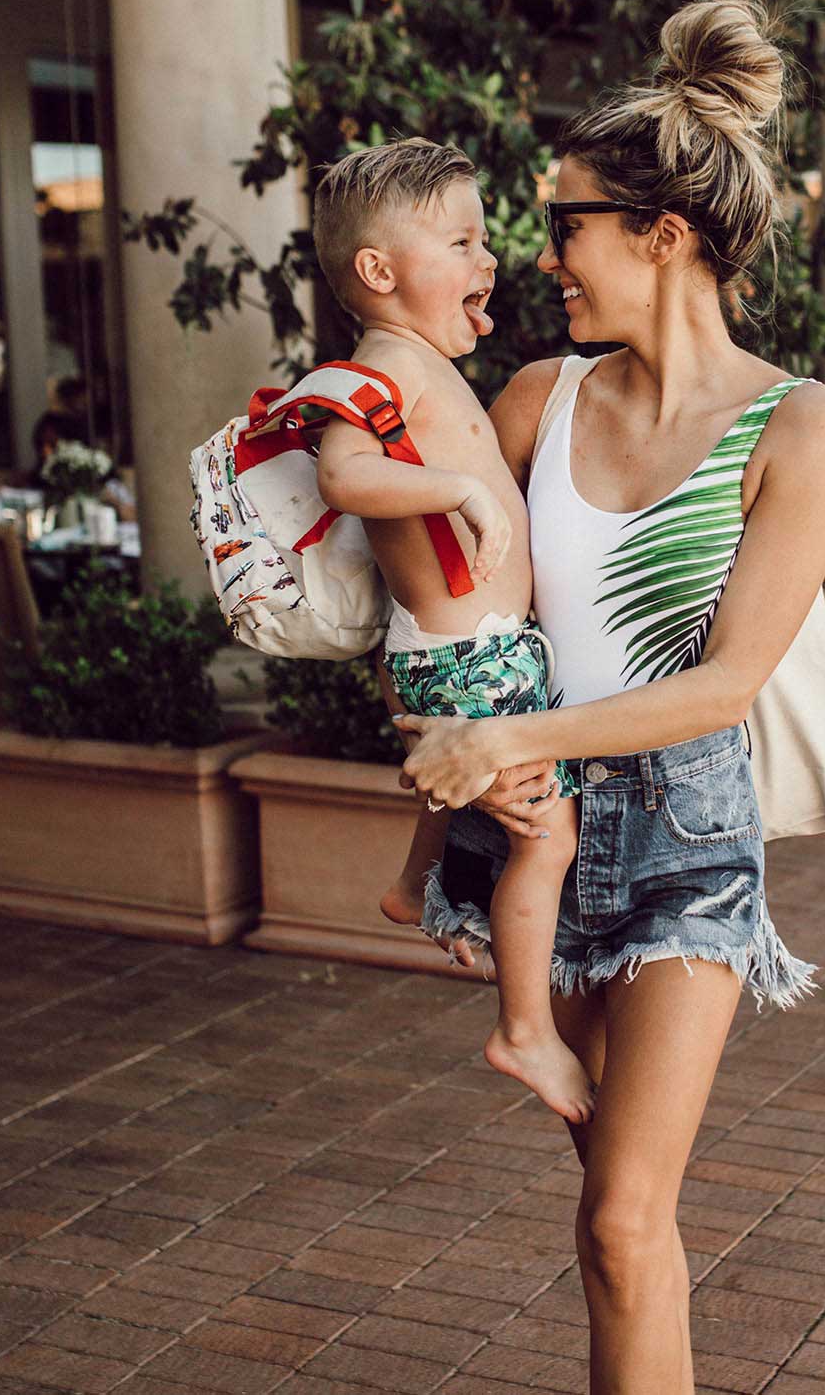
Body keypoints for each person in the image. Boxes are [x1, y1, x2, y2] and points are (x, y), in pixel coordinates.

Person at [397, 0, 825, 1393]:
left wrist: (504, 735)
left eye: (569, 224)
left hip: (683, 839)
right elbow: (449, 601)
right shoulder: (537, 400)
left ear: (662, 234)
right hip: (543, 833)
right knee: (617, 1220)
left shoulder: (798, 423)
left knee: (621, 1215)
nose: (546, 256)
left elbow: (723, 685)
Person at [310, 138, 594, 1125]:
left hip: (468, 649)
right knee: (546, 838)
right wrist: (460, 490)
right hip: (470, 656)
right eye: (461, 243)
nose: (490, 261)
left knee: (501, 811)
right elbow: (343, 472)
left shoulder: (419, 361)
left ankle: (413, 881)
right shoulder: (384, 364)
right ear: (379, 271)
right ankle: (525, 1029)